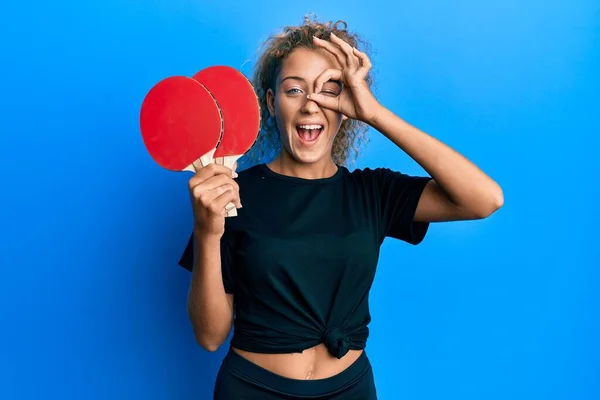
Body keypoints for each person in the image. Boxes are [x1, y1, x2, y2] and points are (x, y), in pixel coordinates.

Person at [177, 15, 503, 399]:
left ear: (346, 104)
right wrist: (207, 231)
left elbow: (485, 199)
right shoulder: (231, 193)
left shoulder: (373, 191)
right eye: (294, 90)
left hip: (350, 389)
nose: (310, 105)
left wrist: (375, 113)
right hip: (252, 389)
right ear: (271, 102)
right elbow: (210, 336)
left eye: (328, 90)